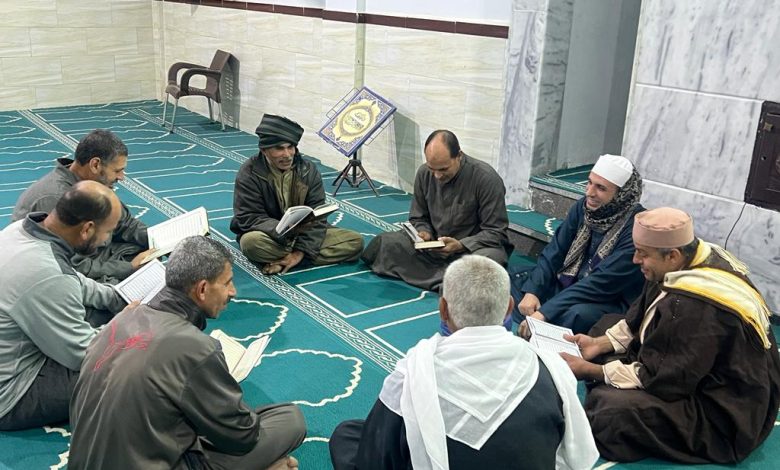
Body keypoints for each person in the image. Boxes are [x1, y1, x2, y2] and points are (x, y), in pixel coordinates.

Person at [329, 255, 598, 470]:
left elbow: (375, 460)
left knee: (347, 436)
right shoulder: (551, 367)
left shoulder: (414, 373)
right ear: (509, 307)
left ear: (443, 309)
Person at [560, 207, 780, 464]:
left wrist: (590, 371)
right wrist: (598, 344)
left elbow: (662, 380)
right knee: (604, 326)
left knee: (609, 410)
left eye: (643, 253)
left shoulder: (691, 307)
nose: (635, 259)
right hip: (691, 366)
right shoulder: (693, 257)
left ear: (673, 255)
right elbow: (639, 317)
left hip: (724, 409)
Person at [69, 235, 306, 470]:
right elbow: (242, 437)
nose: (233, 292)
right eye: (227, 283)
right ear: (202, 289)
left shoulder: (121, 320)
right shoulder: (196, 348)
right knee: (289, 419)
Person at [0, 181, 128, 431]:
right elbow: (85, 354)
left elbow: (73, 280)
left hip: (13, 348)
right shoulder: (48, 275)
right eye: (108, 232)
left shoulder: (21, 230)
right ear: (87, 229)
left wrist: (115, 296)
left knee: (100, 312)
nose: (106, 241)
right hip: (11, 392)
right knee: (131, 364)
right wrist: (130, 322)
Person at [362, 130, 512, 293]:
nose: (437, 176)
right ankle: (449, 281)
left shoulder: (486, 179)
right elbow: (418, 217)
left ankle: (447, 279)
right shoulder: (424, 173)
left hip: (470, 250)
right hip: (433, 249)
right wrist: (424, 233)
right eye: (432, 169)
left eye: (443, 169)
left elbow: (495, 232)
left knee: (488, 262)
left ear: (459, 156)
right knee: (387, 243)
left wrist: (460, 245)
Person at [512, 154, 645, 335]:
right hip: (569, 282)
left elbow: (600, 283)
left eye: (600, 188)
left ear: (621, 194)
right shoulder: (584, 208)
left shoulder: (636, 228)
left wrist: (545, 312)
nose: (589, 192)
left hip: (604, 298)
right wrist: (533, 292)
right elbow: (554, 251)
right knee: (512, 280)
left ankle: (541, 336)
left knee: (575, 315)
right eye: (589, 183)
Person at [231, 114, 363, 275]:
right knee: (251, 244)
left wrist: (299, 251)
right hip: (269, 234)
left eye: (291, 147)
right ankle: (303, 256)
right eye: (279, 148)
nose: (287, 154)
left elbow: (318, 216)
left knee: (355, 241)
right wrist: (284, 230)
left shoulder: (307, 170)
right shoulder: (250, 172)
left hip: (303, 234)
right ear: (264, 150)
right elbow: (249, 217)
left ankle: (289, 260)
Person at [12, 129, 150, 283]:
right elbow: (70, 263)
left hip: (88, 250)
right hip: (55, 268)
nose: (121, 177)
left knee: (147, 252)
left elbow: (125, 223)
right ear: (95, 165)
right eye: (117, 171)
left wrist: (158, 239)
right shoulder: (56, 199)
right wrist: (128, 267)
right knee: (131, 282)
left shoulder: (93, 184)